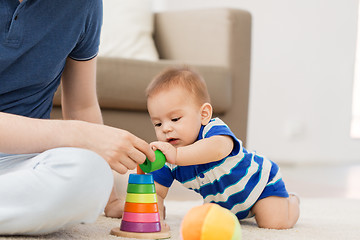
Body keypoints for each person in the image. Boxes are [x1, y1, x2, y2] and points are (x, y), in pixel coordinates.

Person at [0, 0, 154, 235]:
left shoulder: (83, 5)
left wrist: (110, 198)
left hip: (22, 163)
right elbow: (80, 128)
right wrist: (78, 134)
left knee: (91, 175)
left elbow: (82, 105)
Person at [145, 66, 300, 229]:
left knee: (275, 223)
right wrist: (155, 219)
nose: (166, 128)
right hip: (222, 204)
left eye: (175, 119)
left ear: (204, 114)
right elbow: (157, 192)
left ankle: (292, 201)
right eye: (158, 123)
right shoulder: (167, 159)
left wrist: (177, 154)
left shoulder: (211, 130)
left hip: (259, 186)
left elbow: (219, 149)